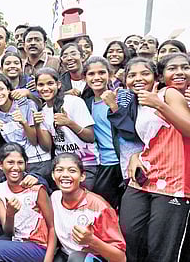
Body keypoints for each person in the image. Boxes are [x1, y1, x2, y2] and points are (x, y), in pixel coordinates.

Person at [119, 57, 190, 262]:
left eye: (145, 73)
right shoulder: (137, 103)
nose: (138, 79)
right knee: (130, 233)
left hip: (174, 182)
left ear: (156, 76)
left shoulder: (168, 94)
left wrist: (160, 105)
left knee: (161, 248)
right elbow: (152, 140)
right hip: (145, 177)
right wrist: (134, 156)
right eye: (132, 75)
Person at [0, 143, 56, 262]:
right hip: (18, 240)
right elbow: (8, 231)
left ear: (26, 164)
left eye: (20, 163)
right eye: (10, 162)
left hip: (39, 245)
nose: (15, 167)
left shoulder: (37, 189)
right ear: (0, 165)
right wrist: (10, 214)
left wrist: (48, 259)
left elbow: (52, 227)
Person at [51, 153, 126, 262]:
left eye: (72, 171)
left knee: (76, 258)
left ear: (82, 176)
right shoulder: (54, 198)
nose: (65, 175)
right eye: (59, 170)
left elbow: (121, 258)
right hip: (66, 255)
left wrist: (91, 240)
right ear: (53, 175)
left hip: (91, 258)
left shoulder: (99, 207)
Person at [35, 68, 99, 190]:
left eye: (50, 83)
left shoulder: (74, 102)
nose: (45, 88)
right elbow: (47, 147)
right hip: (63, 165)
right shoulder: (43, 111)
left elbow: (90, 137)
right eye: (41, 85)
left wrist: (68, 123)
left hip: (86, 163)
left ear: (58, 84)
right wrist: (37, 125)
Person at [0, 73, 51, 181]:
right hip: (17, 166)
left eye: (1, 89)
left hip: (39, 163)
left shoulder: (26, 104)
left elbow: (34, 141)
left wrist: (23, 123)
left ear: (8, 89)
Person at [82, 57, 125, 209]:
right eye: (91, 74)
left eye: (101, 72)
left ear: (109, 74)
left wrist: (114, 105)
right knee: (105, 209)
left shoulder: (121, 96)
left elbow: (129, 128)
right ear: (85, 77)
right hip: (103, 163)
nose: (97, 77)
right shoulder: (86, 103)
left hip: (122, 161)